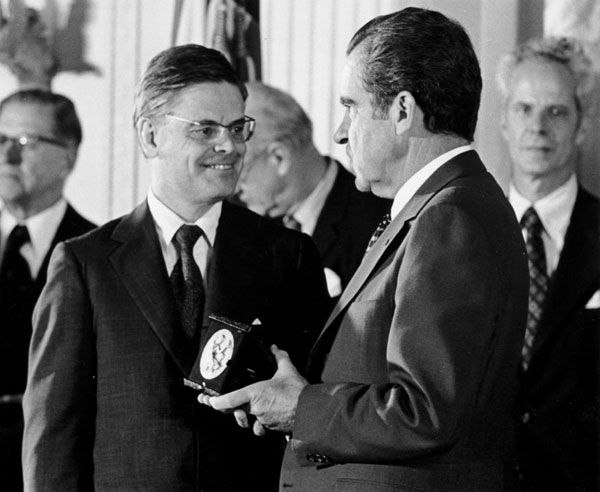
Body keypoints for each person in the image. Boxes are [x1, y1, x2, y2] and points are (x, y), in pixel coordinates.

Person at [200, 7, 529, 491]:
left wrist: (301, 408)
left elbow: (424, 411)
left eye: (350, 106)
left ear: (402, 110)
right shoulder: (442, 206)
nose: (338, 132)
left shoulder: (448, 218)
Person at [22, 44, 329, 491]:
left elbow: (315, 413)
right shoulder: (84, 266)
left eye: (237, 128)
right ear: (150, 136)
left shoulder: (289, 255)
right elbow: (53, 441)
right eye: (205, 129)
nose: (229, 146)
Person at [497, 37, 599, 491]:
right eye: (524, 109)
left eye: (556, 112)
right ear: (503, 121)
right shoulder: (462, 234)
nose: (537, 127)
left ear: (581, 126)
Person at [0, 89, 95, 490]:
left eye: (26, 142)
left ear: (68, 156)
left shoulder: (96, 253)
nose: (8, 156)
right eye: (1, 140)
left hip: (46, 469)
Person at [237, 82, 391, 298]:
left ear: (279, 157)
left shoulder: (380, 220)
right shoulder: (239, 220)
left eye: (240, 170)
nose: (234, 187)